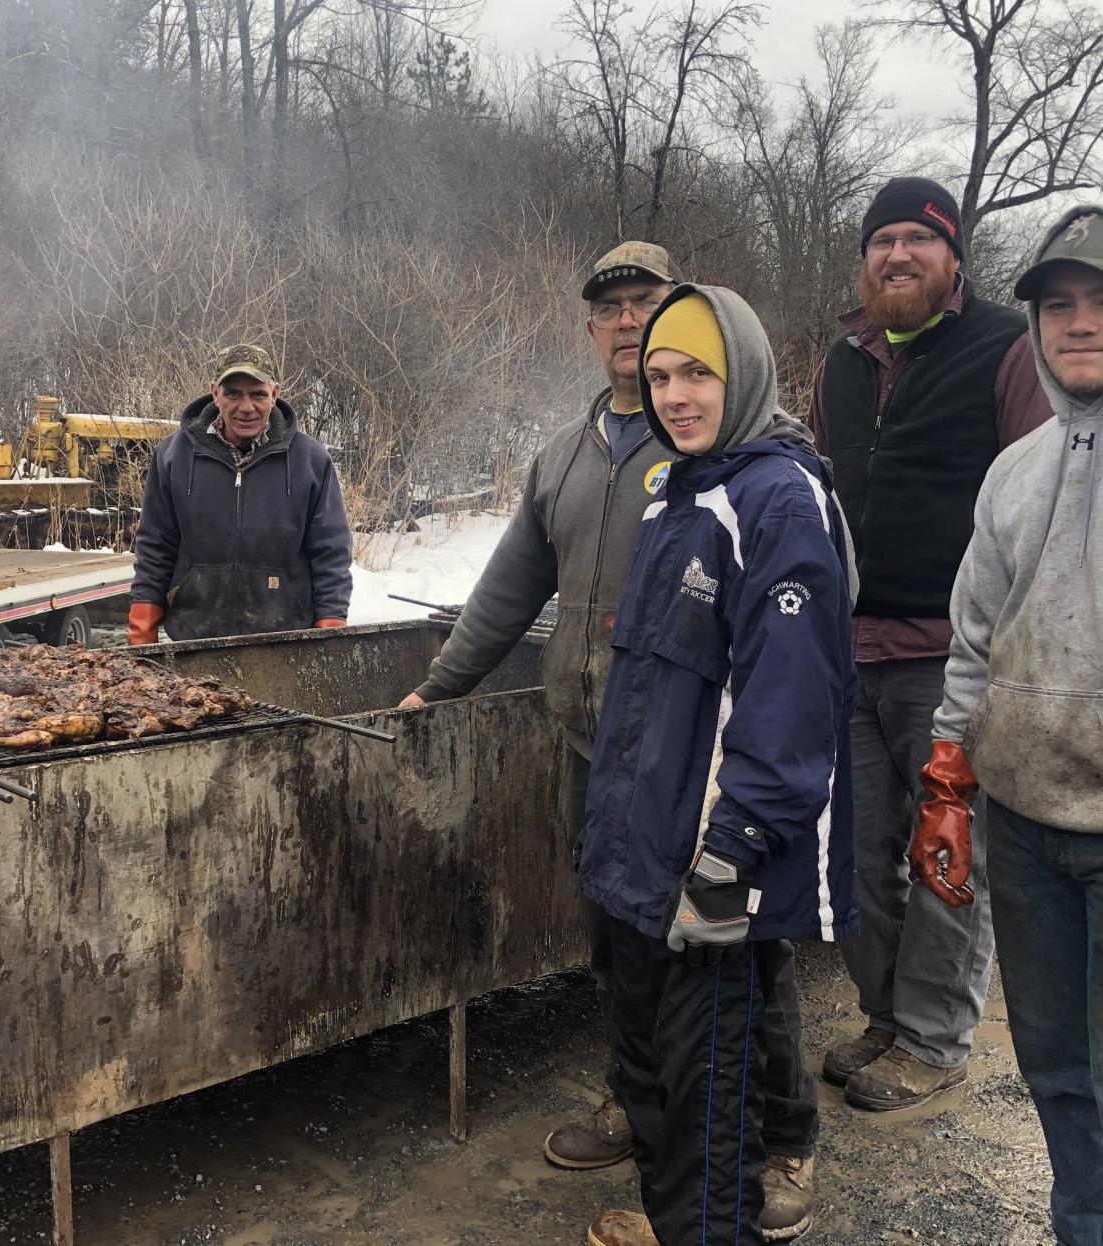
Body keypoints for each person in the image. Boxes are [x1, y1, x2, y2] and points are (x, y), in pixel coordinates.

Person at [399, 243, 822, 1242]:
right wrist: (443, 681)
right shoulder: (567, 453)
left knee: (737, 971)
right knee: (623, 954)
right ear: (588, 330)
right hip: (599, 750)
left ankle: (780, 1142)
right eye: (610, 310)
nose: (629, 324)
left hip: (702, 772)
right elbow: (510, 584)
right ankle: (643, 1107)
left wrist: (746, 811)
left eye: (648, 306)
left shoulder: (742, 457)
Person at [581, 284, 856, 1246]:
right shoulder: (678, 494)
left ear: (742, 373)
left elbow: (791, 695)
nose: (675, 394)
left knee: (710, 1084)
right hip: (653, 845)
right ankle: (676, 1221)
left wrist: (734, 845)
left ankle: (705, 1226)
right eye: (659, 375)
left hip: (714, 858)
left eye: (698, 372)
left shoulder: (777, 498)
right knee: (662, 1063)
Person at [805, 176, 1053, 1110]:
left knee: (947, 851)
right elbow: (819, 490)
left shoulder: (1004, 349)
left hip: (954, 658)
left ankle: (936, 1037)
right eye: (882, 241)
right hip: (850, 651)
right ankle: (885, 1015)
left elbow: (1036, 498)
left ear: (953, 257)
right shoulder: (840, 362)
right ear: (864, 259)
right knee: (860, 851)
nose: (897, 255)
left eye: (918, 238)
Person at [908, 204, 1103, 1246]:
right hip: (1024, 826)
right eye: (1059, 304)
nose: (1079, 323)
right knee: (1054, 1063)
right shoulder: (1013, 471)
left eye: (1099, 300)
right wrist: (948, 780)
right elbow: (973, 642)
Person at [128, 343, 352, 644]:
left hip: (285, 639)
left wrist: (330, 628)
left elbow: (331, 553)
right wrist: (143, 626)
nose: (246, 407)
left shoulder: (310, 460)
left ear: (275, 393)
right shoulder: (173, 455)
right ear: (214, 393)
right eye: (233, 393)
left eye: (257, 394)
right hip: (195, 638)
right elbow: (156, 545)